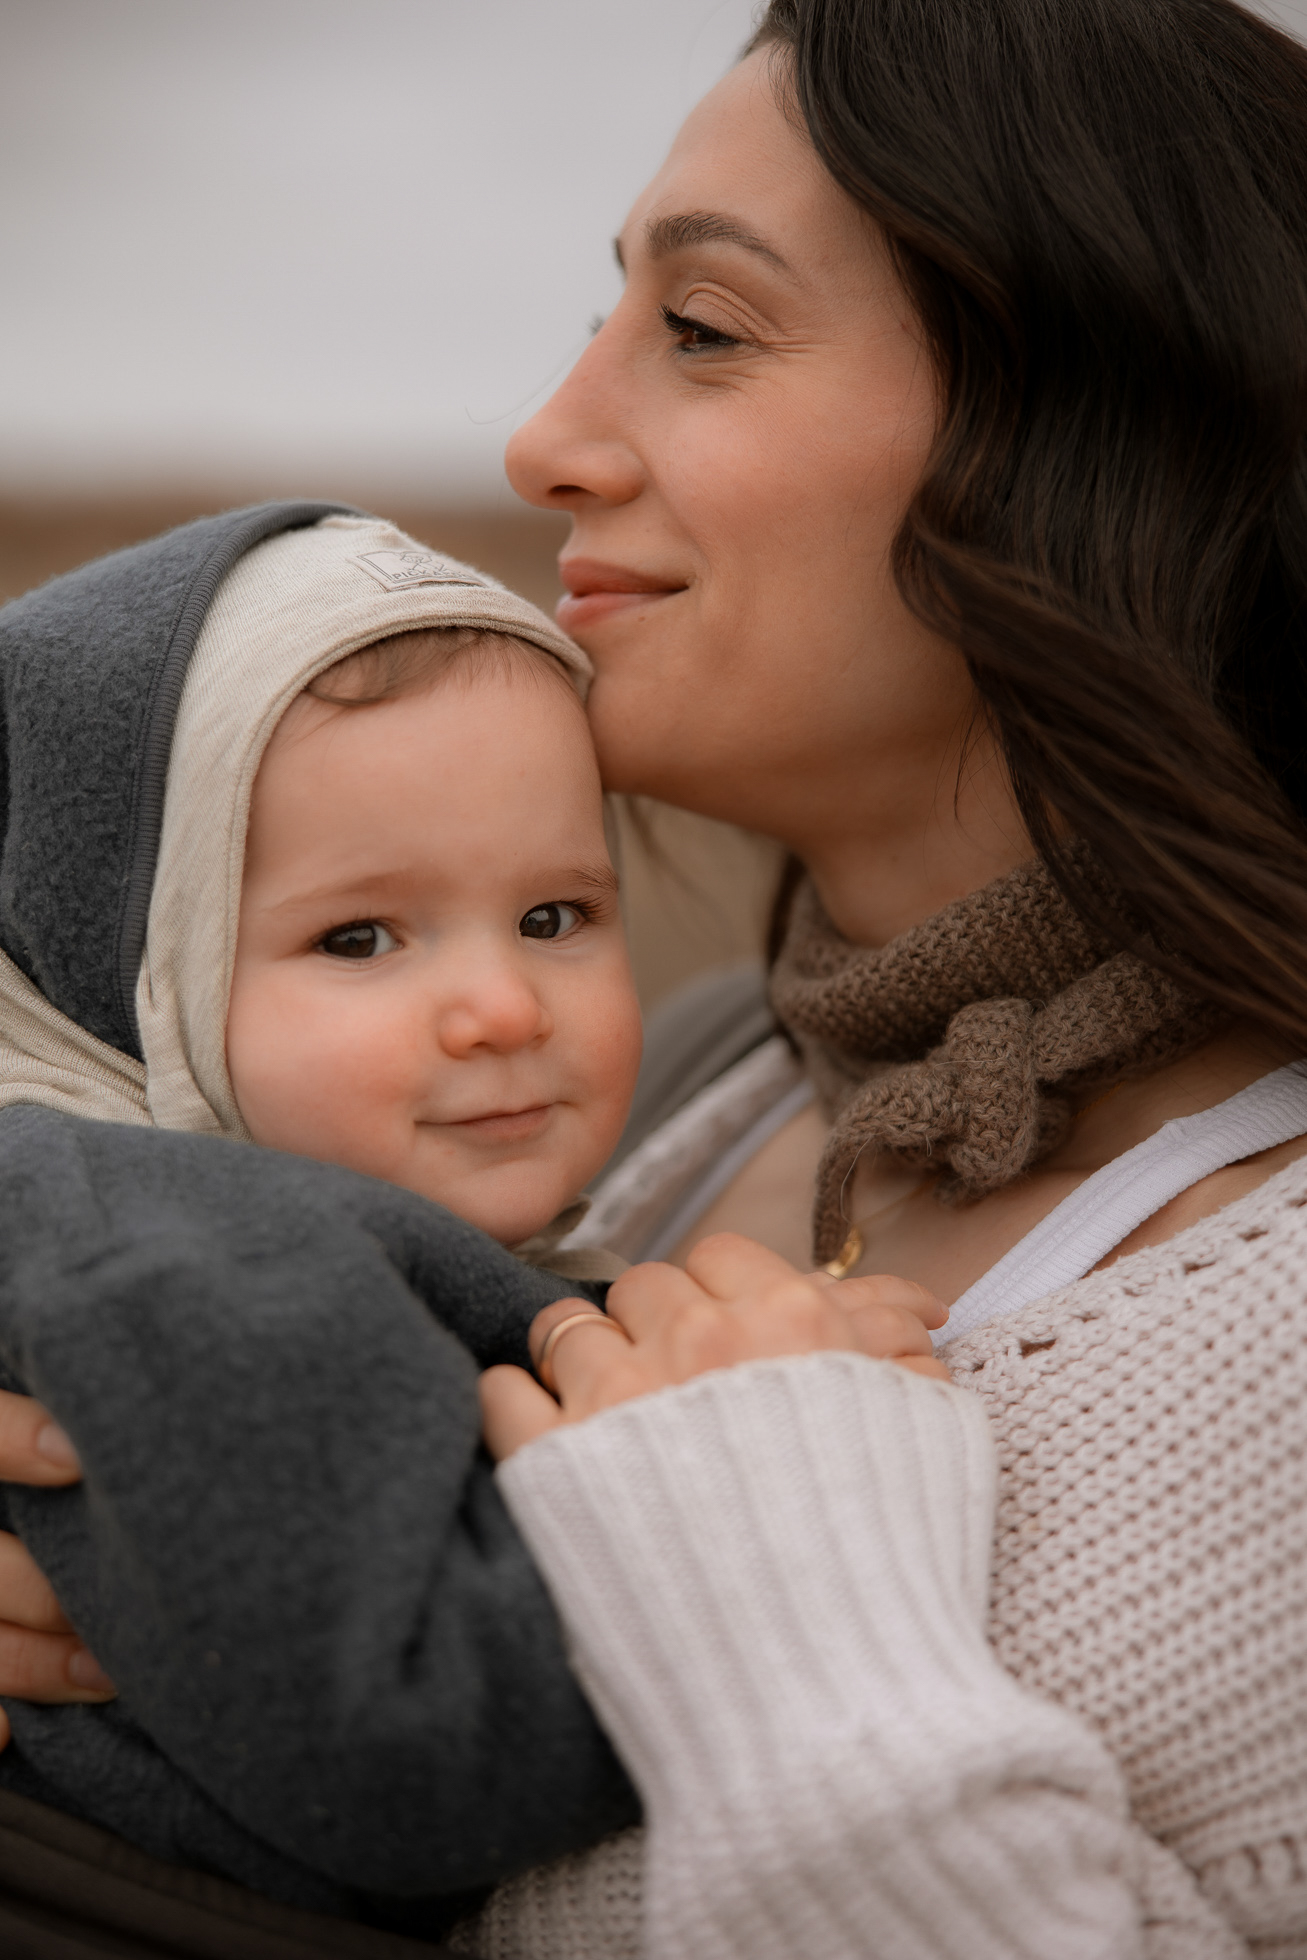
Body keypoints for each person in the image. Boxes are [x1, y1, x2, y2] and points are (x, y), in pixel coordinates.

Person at [6, 0, 1307, 1951]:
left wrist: (773, 1566)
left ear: (1097, 419)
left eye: (702, 328)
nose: (545, 440)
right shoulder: (685, 1085)